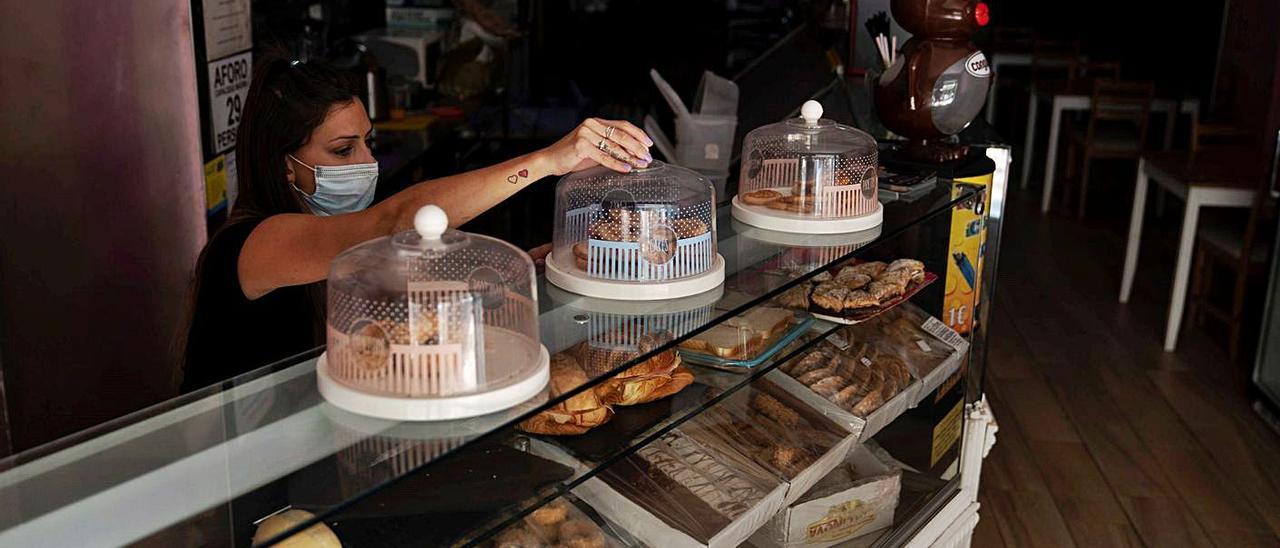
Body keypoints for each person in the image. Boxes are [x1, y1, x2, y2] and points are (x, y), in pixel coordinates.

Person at [179, 56, 652, 391]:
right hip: (237, 483)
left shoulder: (344, 239)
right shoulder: (255, 243)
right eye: (344, 150)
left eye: (368, 142)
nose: (369, 162)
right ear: (285, 167)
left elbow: (417, 307)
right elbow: (400, 219)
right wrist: (550, 160)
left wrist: (529, 268)